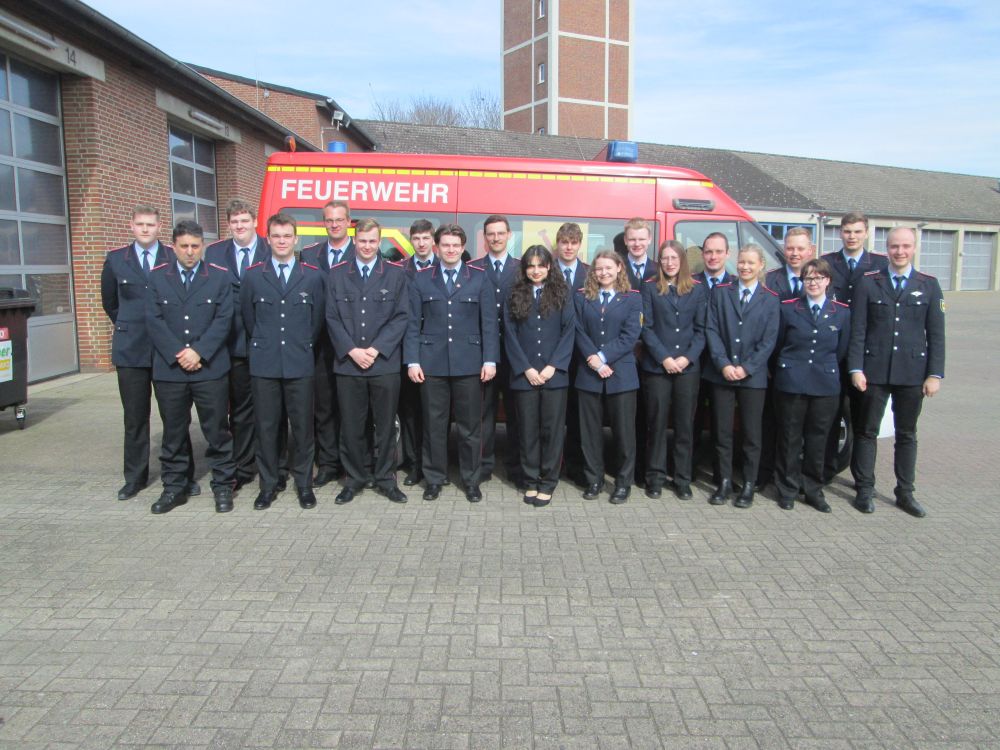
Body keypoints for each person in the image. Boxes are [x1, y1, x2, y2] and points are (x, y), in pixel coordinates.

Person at [101, 206, 197, 501]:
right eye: (140, 224)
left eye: (150, 224)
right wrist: (130, 326)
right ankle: (135, 478)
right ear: (131, 226)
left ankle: (183, 476)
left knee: (176, 416)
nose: (145, 229)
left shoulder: (173, 256)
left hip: (167, 349)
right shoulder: (116, 259)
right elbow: (110, 303)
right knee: (135, 417)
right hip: (131, 350)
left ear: (159, 227)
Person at [848, 227, 945, 518]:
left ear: (914, 248)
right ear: (886, 249)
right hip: (874, 370)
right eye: (894, 246)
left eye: (905, 246)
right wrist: (856, 368)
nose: (899, 252)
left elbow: (936, 334)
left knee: (907, 434)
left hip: (911, 373)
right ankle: (864, 489)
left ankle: (905, 492)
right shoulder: (869, 283)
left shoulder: (929, 285)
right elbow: (858, 329)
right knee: (866, 431)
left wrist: (934, 374)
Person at [145, 220, 235, 514]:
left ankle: (223, 486)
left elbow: (224, 319)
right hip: (170, 370)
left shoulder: (219, 277)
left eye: (195, 246)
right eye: (184, 246)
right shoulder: (157, 277)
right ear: (173, 247)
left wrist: (199, 351)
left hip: (209, 368)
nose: (190, 251)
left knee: (217, 431)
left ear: (203, 247)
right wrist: (179, 353)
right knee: (173, 433)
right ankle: (175, 487)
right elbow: (153, 320)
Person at [405, 224, 499, 502]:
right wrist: (412, 361)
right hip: (431, 364)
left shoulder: (479, 278)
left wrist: (490, 360)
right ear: (437, 247)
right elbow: (412, 323)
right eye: (445, 245)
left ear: (463, 247)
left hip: (469, 364)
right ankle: (434, 479)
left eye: (456, 245)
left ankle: (471, 480)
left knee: (470, 428)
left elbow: (489, 324)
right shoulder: (422, 279)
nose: (451, 250)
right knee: (434, 426)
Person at [240, 213, 326, 511]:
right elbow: (249, 319)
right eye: (276, 236)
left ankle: (304, 484)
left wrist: (300, 346)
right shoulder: (253, 275)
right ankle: (269, 484)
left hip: (299, 362)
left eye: (287, 236)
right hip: (265, 363)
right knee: (267, 427)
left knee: (302, 428)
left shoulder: (312, 276)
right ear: (268, 239)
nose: (281, 241)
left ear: (295, 239)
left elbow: (316, 322)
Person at [326, 218, 410, 505]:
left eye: (372, 241)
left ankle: (386, 479)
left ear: (380, 241)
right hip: (349, 364)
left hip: (383, 363)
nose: (367, 246)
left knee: (386, 427)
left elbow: (401, 316)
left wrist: (375, 349)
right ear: (354, 240)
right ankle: (354, 479)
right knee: (352, 426)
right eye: (362, 241)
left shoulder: (395, 275)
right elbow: (331, 318)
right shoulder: (338, 274)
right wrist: (352, 350)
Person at [703, 244, 779, 508]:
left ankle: (748, 484)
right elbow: (711, 329)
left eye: (751, 263)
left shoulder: (770, 299)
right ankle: (723, 482)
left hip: (752, 377)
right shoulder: (721, 292)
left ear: (761, 266)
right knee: (722, 432)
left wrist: (747, 367)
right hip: (721, 374)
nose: (745, 267)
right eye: (742, 262)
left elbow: (769, 340)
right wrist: (723, 363)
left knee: (751, 434)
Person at [772, 259, 850, 512]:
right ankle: (787, 489)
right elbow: (778, 344)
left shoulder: (841, 312)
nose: (813, 282)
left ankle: (813, 489)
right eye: (808, 278)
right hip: (791, 382)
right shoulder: (788, 309)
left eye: (818, 278)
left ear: (828, 281)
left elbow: (841, 350)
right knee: (789, 438)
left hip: (824, 385)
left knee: (818, 440)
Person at [204, 199, 270, 491]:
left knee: (262, 410)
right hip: (228, 343)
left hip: (264, 341)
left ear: (255, 222)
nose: (240, 226)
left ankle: (258, 465)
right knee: (233, 411)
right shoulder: (215, 252)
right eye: (234, 222)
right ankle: (238, 467)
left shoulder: (271, 248)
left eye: (244, 221)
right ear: (228, 224)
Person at [503, 245, 575, 507]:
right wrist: (526, 368)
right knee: (527, 431)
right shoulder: (514, 293)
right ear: (524, 269)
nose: (535, 270)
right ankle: (531, 480)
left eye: (540, 265)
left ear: (549, 267)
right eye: (530, 266)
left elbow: (569, 331)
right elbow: (509, 334)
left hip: (554, 375)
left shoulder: (562, 292)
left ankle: (548, 482)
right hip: (525, 376)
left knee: (551, 431)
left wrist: (552, 366)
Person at [821, 212, 889, 481]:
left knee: (863, 422)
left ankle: (863, 480)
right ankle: (826, 472)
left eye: (857, 231)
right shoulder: (827, 262)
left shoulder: (881, 264)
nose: (852, 236)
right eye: (847, 231)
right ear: (840, 233)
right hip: (834, 351)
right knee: (830, 416)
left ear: (866, 233)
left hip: (866, 354)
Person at [639, 240, 708, 500]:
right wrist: (665, 358)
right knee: (656, 425)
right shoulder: (649, 287)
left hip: (687, 369)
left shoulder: (697, 289)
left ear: (682, 261)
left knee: (684, 426)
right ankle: (655, 478)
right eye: (665, 258)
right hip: (658, 368)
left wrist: (686, 358)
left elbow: (701, 330)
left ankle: (682, 479)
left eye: (674, 258)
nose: (669, 263)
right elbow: (646, 328)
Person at [574, 250, 642, 504]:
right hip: (588, 374)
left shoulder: (633, 298)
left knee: (624, 433)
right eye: (599, 268)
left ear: (619, 268)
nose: (603, 273)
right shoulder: (582, 297)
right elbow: (577, 330)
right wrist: (593, 358)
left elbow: (631, 334)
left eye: (608, 268)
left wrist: (602, 357)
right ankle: (594, 480)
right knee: (589, 433)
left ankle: (623, 483)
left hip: (620, 374)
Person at [299, 200, 356, 486]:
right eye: (329, 220)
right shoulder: (309, 254)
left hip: (352, 343)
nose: (334, 225)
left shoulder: (362, 252)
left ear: (349, 222)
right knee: (323, 408)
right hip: (320, 343)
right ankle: (328, 463)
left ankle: (351, 464)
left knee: (351, 408)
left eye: (339, 220)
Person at [758, 227, 815, 488]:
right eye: (790, 248)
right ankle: (765, 474)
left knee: (802, 428)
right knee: (770, 423)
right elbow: (761, 324)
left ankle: (799, 478)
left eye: (800, 248)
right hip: (774, 364)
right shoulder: (770, 279)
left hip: (806, 366)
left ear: (810, 250)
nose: (794, 253)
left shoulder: (820, 279)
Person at [469, 215, 521, 486]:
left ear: (509, 235)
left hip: (515, 355)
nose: (496, 238)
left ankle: (515, 467)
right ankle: (483, 466)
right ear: (485, 237)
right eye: (491, 234)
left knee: (516, 414)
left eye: (501, 233)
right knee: (483, 414)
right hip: (483, 355)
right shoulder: (473, 268)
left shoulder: (522, 268)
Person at [398, 219, 437, 487]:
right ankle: (414, 464)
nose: (421, 243)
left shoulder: (446, 265)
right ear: (411, 240)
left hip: (437, 351)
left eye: (426, 238)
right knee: (410, 411)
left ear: (433, 240)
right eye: (416, 238)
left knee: (434, 414)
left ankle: (435, 462)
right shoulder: (400, 270)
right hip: (409, 348)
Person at [554, 222, 589, 484]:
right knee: (553, 417)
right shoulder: (546, 270)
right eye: (564, 242)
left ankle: (576, 467)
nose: (568, 247)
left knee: (578, 416)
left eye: (573, 242)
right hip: (553, 354)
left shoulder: (590, 273)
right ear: (558, 244)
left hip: (581, 356)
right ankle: (553, 466)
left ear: (579, 245)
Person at [623, 217, 658, 288]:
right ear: (625, 240)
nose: (637, 244)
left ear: (649, 239)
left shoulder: (659, 270)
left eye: (641, 239)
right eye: (632, 239)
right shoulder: (616, 269)